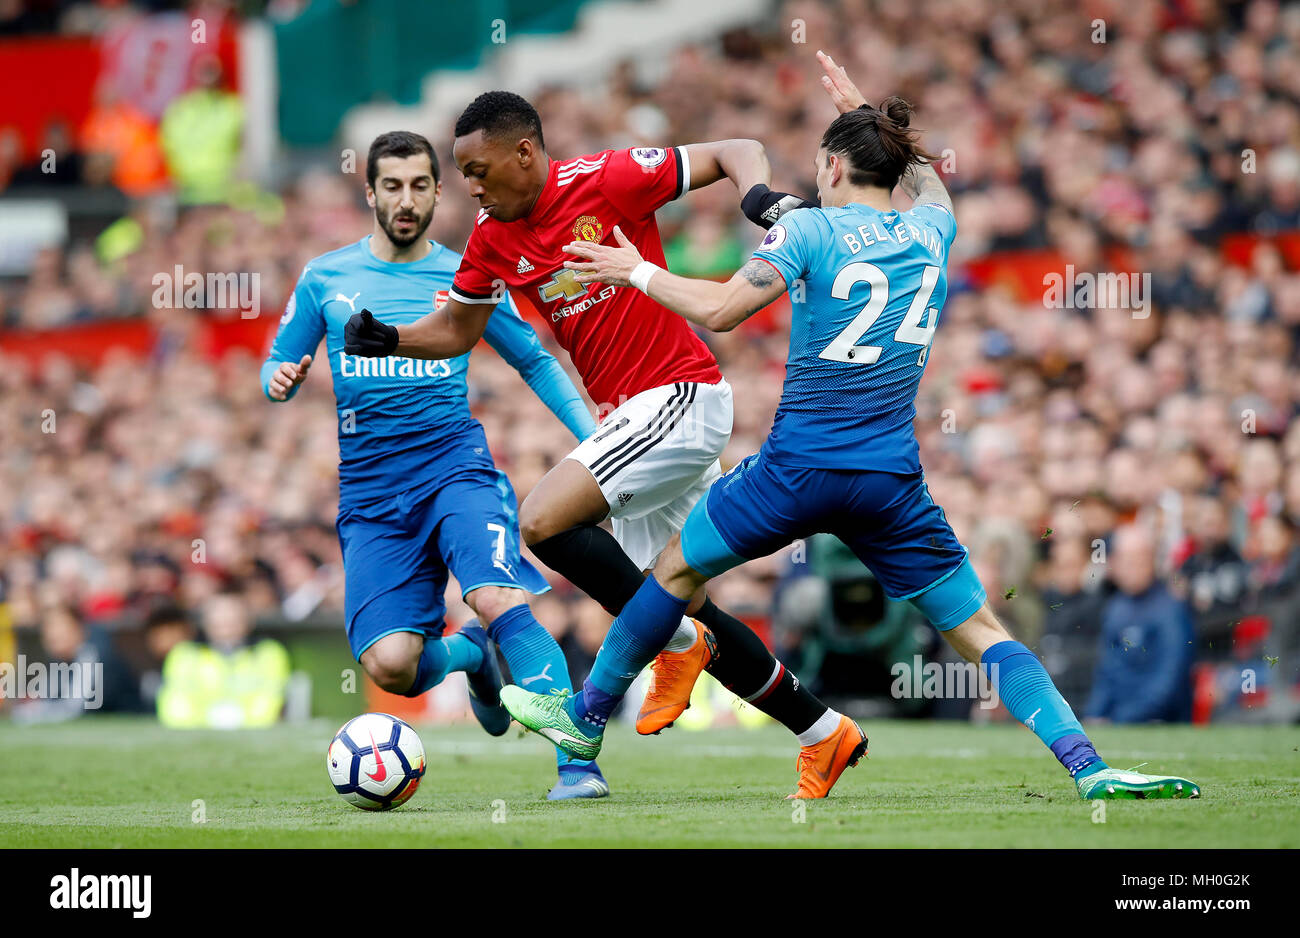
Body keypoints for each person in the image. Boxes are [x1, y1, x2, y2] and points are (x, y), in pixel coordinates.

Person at [505, 54, 1200, 802]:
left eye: (818, 164)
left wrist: (631, 268)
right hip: (890, 483)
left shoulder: (808, 231)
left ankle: (587, 718)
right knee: (981, 633)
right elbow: (928, 179)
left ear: (832, 166)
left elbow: (720, 312)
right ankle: (1088, 770)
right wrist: (878, 118)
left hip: (796, 471)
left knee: (674, 572)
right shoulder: (933, 227)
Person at [344, 90, 853, 796]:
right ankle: (823, 731)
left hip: (680, 394)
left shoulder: (607, 179)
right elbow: (460, 329)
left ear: (525, 152)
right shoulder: (494, 236)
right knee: (677, 601)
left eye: (480, 169)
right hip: (638, 422)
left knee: (543, 520)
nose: (472, 187)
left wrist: (758, 193)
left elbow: (733, 149)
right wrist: (391, 338)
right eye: (464, 174)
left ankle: (666, 651)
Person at [262, 131, 607, 799]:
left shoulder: (465, 274)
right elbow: (277, 357)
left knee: (498, 595)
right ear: (370, 192)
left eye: (420, 185)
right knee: (393, 666)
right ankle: (471, 655)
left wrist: (594, 437)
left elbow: (533, 358)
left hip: (455, 467)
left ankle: (577, 766)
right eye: (392, 185)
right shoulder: (324, 277)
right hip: (371, 493)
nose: (406, 198)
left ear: (437, 191)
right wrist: (280, 375)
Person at [1086, 526, 1195, 723]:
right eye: (1125, 560)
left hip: (1158, 722)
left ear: (1152, 560)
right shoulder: (1115, 608)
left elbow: (1169, 679)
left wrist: (1120, 720)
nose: (1132, 567)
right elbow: (1106, 670)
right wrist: (1094, 715)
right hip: (1118, 720)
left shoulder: (1170, 610)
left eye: (1138, 560)